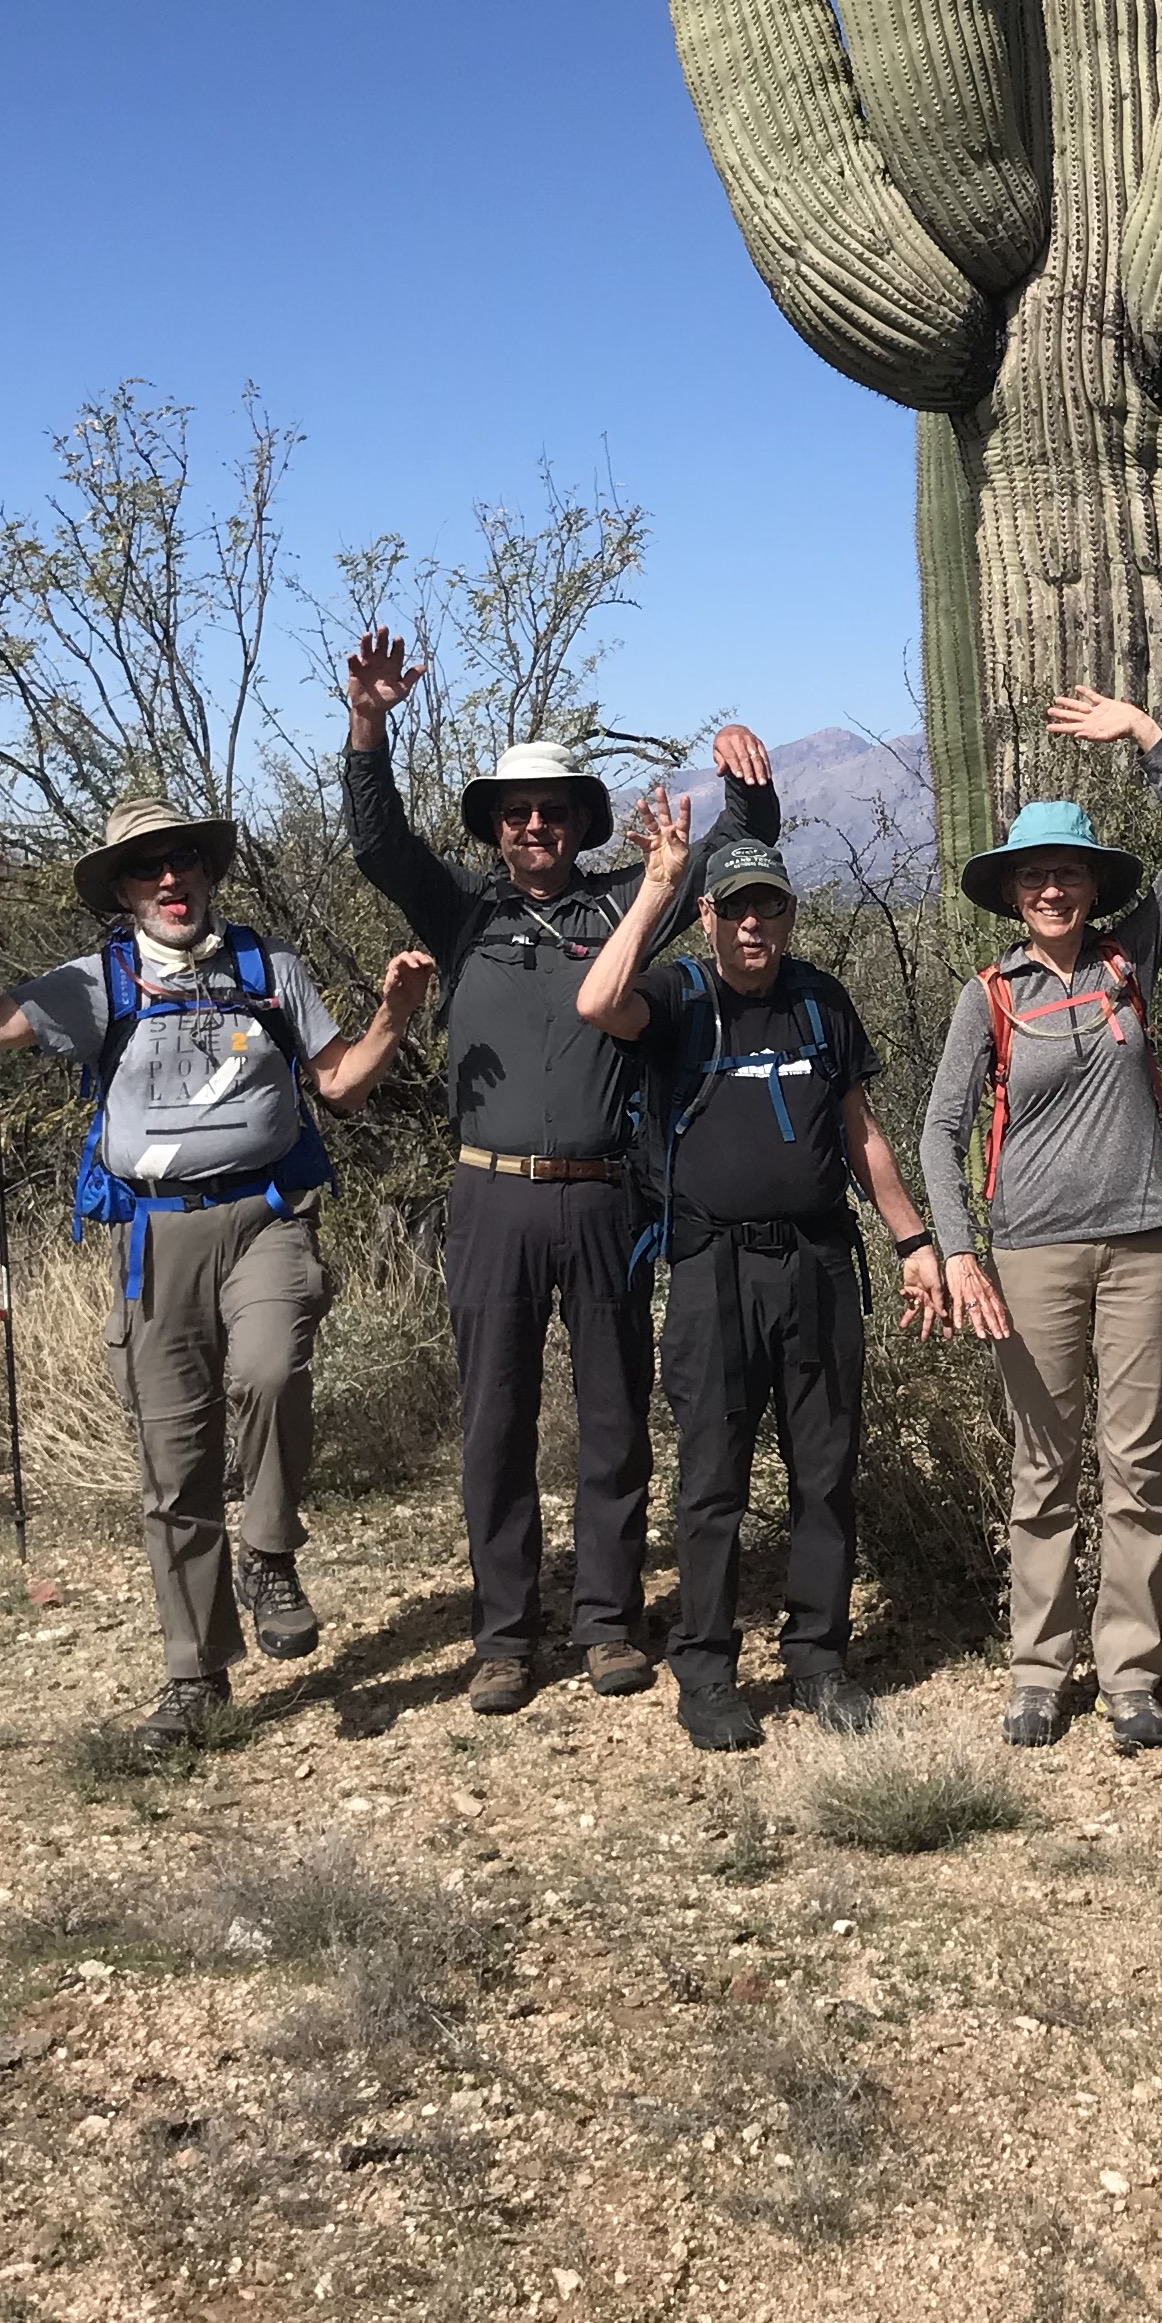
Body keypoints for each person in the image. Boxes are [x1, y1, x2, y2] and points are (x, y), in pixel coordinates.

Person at [340, 628, 780, 1715]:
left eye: (554, 812)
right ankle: (502, 1636)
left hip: (601, 1193)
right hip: (488, 1193)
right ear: (496, 828)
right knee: (493, 1419)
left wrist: (742, 775)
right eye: (516, 813)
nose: (535, 825)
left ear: (582, 825)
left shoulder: (618, 906)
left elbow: (727, 857)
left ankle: (610, 1621)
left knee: (613, 1410)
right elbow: (378, 842)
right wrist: (368, 724)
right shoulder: (466, 917)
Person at [0, 798, 433, 1759]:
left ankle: (272, 1557)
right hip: (154, 1238)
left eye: (185, 862)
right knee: (174, 1466)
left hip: (267, 1217)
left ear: (208, 873)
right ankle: (196, 1675)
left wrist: (394, 1015)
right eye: (148, 869)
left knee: (273, 1370)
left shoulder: (266, 967)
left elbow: (340, 1086)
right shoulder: (97, 984)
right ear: (123, 890)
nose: (171, 881)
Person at [573, 808, 946, 1750]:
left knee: (827, 1473)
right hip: (710, 1270)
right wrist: (655, 883)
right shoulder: (680, 998)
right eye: (737, 909)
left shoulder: (820, 1002)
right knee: (712, 1482)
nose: (754, 928)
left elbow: (860, 1133)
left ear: (788, 915)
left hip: (818, 1262)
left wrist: (914, 1242)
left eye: (769, 909)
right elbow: (595, 1004)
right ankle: (706, 1671)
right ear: (711, 916)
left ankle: (819, 1660)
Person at [916, 690, 1162, 1754]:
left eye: (1070, 872)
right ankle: (1040, 1672)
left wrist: (1146, 737)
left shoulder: (1131, 955)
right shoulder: (987, 996)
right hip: (1033, 1253)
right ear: (1011, 891)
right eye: (1034, 875)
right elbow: (938, 1131)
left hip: (1144, 1242)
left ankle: (1130, 1672)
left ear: (1096, 886)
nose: (1052, 888)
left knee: (1136, 1465)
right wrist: (958, 1252)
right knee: (1044, 1468)